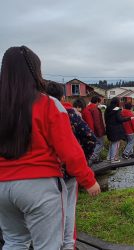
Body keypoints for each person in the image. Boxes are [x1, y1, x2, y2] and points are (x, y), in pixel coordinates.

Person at [0, 46, 100, 250]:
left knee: (14, 242)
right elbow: (69, 149)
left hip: (2, 186)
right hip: (39, 186)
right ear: (35, 72)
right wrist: (88, 180)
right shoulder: (48, 104)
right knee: (48, 246)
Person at [45, 81, 96, 249]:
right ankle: (68, 245)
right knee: (68, 212)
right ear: (63, 97)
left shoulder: (33, 112)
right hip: (68, 172)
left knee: (48, 214)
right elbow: (90, 138)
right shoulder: (70, 114)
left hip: (43, 175)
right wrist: (84, 161)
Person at [104, 97, 131, 163]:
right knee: (116, 144)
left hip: (109, 128)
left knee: (112, 143)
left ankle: (109, 158)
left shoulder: (107, 108)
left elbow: (106, 118)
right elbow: (119, 119)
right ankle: (113, 159)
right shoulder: (117, 109)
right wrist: (128, 118)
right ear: (117, 102)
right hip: (116, 129)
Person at [82, 96, 106, 164]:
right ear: (97, 102)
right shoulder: (95, 109)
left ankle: (95, 159)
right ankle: (92, 158)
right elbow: (97, 122)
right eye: (100, 102)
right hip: (96, 130)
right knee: (100, 143)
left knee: (94, 144)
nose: (100, 104)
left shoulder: (87, 108)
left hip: (89, 129)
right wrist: (100, 132)